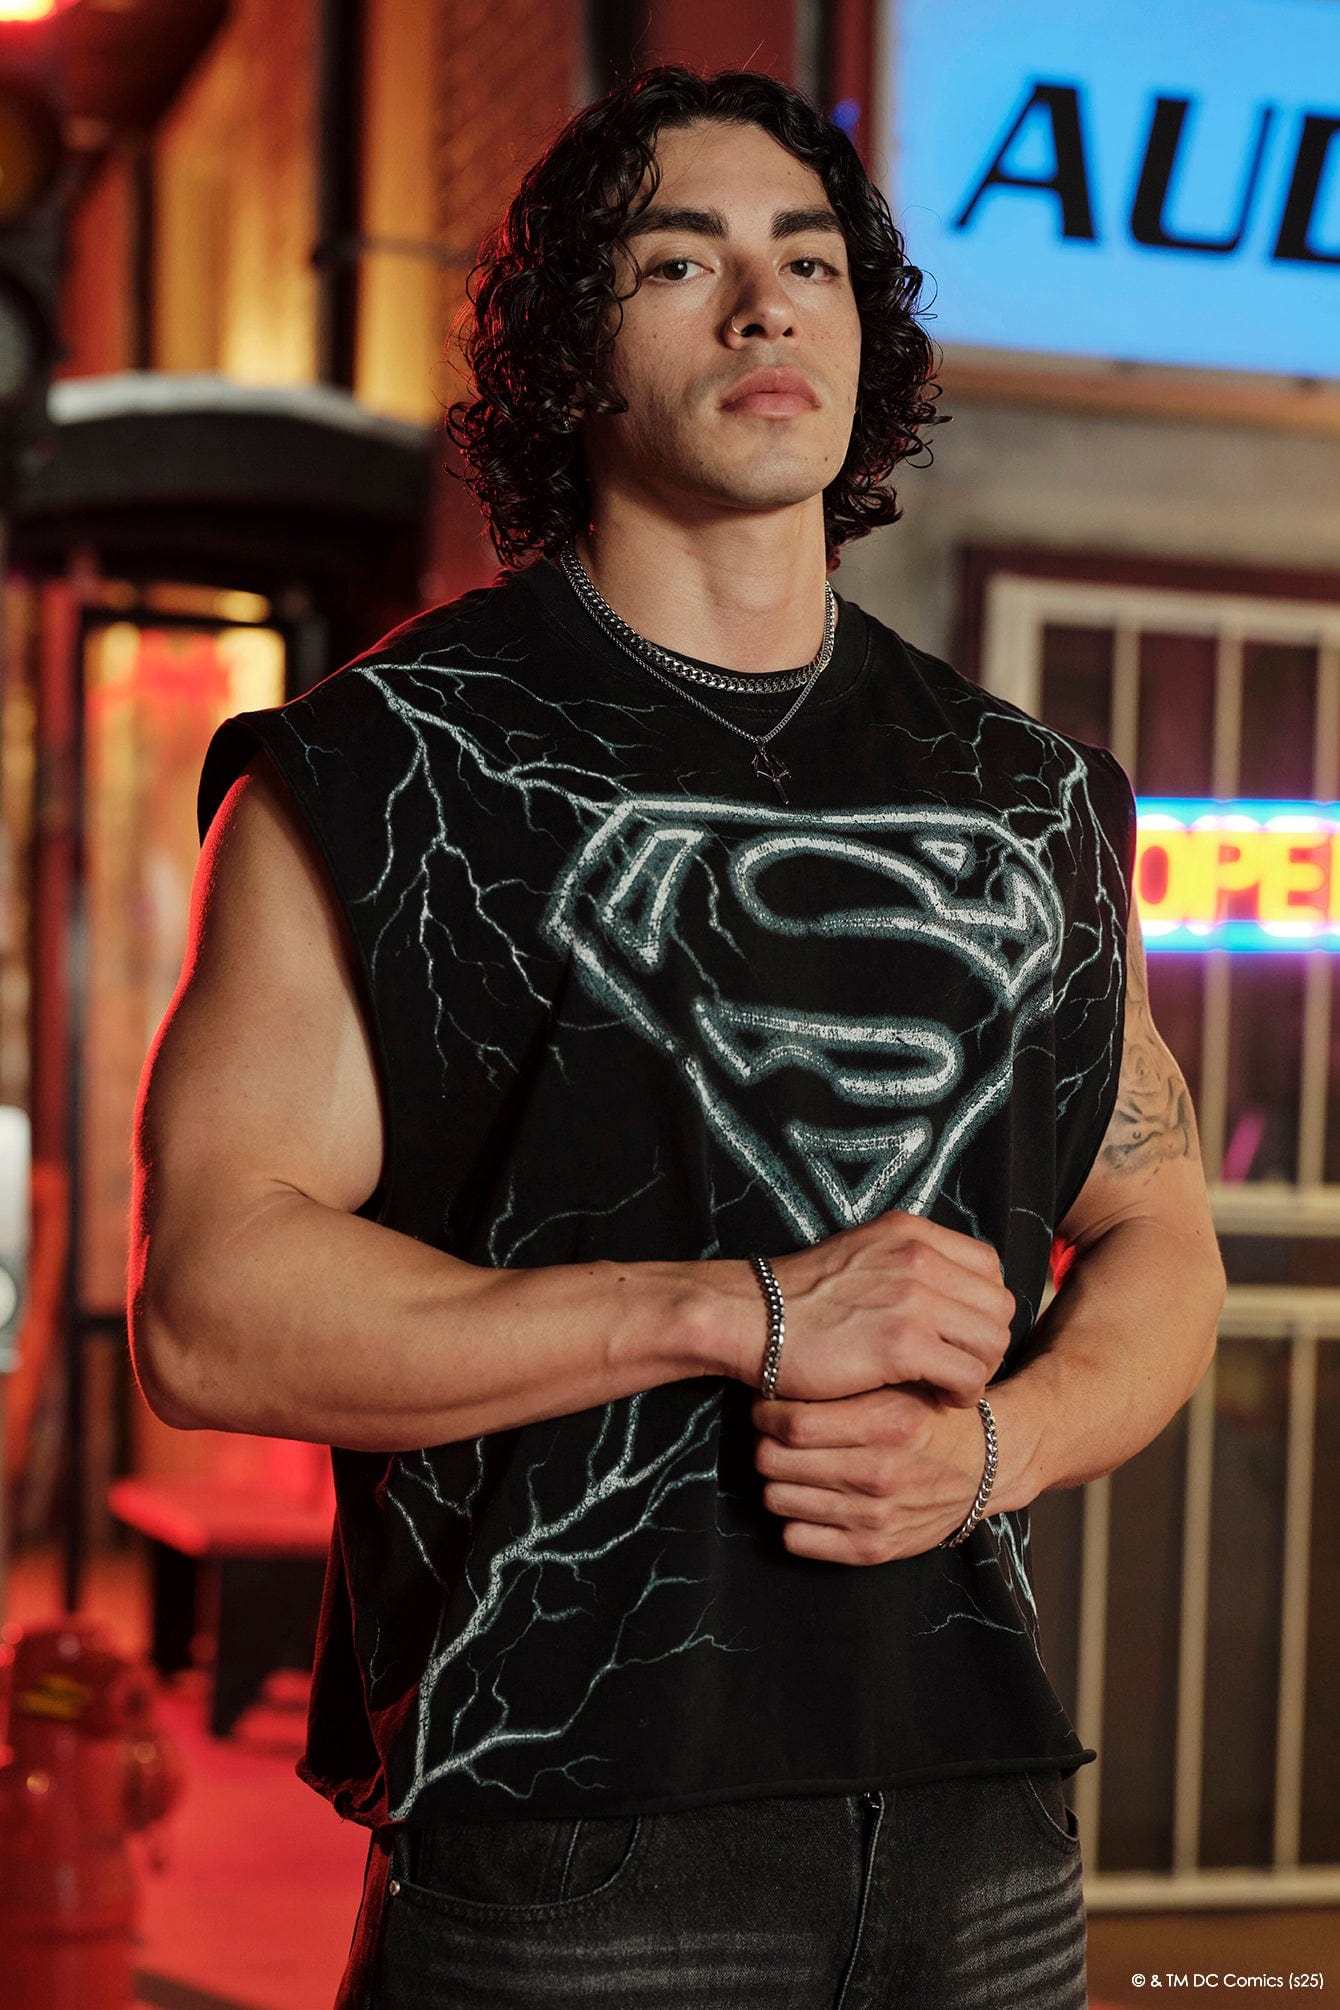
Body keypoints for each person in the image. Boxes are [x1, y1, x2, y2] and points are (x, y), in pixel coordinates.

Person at [130, 63, 1226, 2010]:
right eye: (678, 261)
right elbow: (212, 1312)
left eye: (809, 262)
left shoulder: (1029, 794)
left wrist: (997, 1449)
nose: (762, 305)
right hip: (567, 1831)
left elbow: (1160, 1234)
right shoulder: (384, 769)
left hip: (979, 1823)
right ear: (574, 348)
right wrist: (741, 1312)